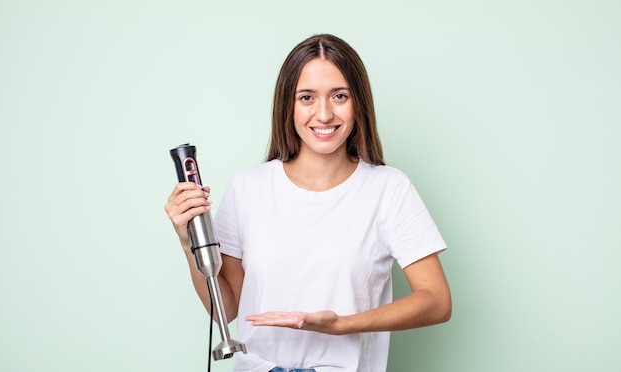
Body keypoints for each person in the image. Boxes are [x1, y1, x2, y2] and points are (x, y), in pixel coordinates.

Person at [165, 34, 451, 372]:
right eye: (307, 97)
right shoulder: (248, 187)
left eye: (339, 96)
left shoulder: (388, 189)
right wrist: (188, 244)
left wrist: (341, 325)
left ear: (358, 102)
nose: (324, 113)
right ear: (288, 104)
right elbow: (224, 309)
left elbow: (436, 302)